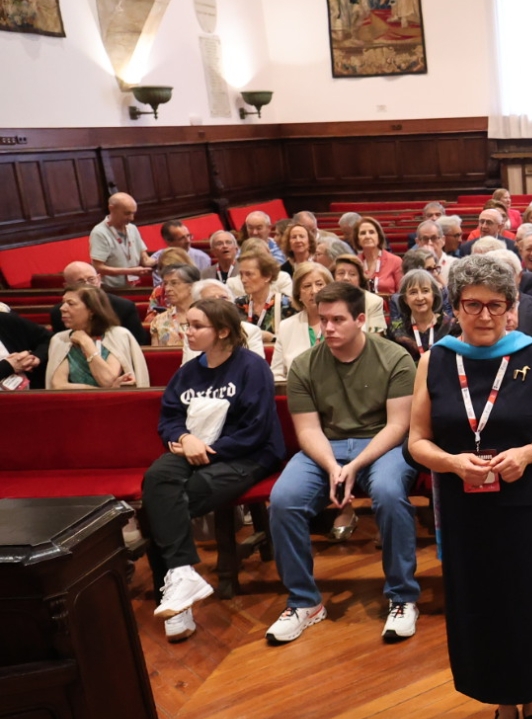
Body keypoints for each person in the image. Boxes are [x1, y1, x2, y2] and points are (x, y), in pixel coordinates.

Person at [406, 255, 532, 719]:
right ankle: (503, 707)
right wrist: (451, 463)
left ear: (510, 308)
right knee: (483, 607)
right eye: (473, 304)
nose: (484, 315)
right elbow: (417, 441)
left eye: (495, 305)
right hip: (467, 510)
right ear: (455, 307)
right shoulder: (435, 360)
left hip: (527, 505)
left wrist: (528, 454)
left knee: (530, 603)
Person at [268, 281, 420, 646]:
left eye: (338, 320)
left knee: (388, 492)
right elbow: (307, 430)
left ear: (361, 320)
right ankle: (304, 602)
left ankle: (402, 596)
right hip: (326, 446)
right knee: (283, 499)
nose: (328, 328)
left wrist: (354, 466)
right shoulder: (305, 364)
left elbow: (398, 426)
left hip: (381, 444)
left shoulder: (395, 358)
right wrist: (333, 466)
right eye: (323, 320)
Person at [144, 298, 284, 643]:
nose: (187, 332)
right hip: (193, 448)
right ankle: (180, 582)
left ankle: (176, 594)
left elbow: (256, 430)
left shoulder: (252, 367)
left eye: (196, 326)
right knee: (156, 480)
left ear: (222, 331)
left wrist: (205, 450)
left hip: (246, 455)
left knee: (164, 507)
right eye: (187, 325)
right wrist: (183, 438)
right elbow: (169, 418)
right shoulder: (188, 372)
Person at [46, 285, 149, 389]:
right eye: (63, 303)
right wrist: (101, 392)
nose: (62, 308)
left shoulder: (118, 335)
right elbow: (58, 386)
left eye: (71, 304)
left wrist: (86, 343)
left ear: (92, 310)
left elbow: (107, 380)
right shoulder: (60, 339)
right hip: (75, 399)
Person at [272, 263, 332, 383]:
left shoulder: (345, 321)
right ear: (298, 295)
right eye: (307, 286)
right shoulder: (286, 327)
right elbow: (276, 373)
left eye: (319, 284)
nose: (314, 291)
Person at [89, 192, 155, 288]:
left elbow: (145, 259)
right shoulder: (100, 232)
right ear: (112, 208)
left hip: (132, 287)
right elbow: (98, 268)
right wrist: (129, 271)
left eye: (133, 213)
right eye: (127, 213)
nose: (132, 218)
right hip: (111, 289)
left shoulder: (132, 228)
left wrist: (160, 261)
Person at [233, 243, 295, 345]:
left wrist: (272, 338)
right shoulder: (237, 305)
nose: (243, 280)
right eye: (241, 274)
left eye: (249, 274)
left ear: (267, 276)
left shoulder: (287, 305)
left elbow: (295, 340)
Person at [193, 280, 267, 362]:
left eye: (224, 298)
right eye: (211, 299)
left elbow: (256, 366)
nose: (220, 302)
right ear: (198, 306)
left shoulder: (250, 331)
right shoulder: (192, 331)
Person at [388, 268, 453, 360]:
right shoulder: (396, 330)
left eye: (425, 291)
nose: (420, 297)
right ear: (405, 299)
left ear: (434, 295)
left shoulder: (449, 326)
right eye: (413, 292)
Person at [330, 254, 390, 334]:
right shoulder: (324, 300)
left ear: (360, 279)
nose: (346, 278)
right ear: (333, 277)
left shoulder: (373, 301)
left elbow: (375, 337)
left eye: (352, 274)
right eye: (341, 273)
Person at [146, 263, 202, 347]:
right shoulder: (159, 320)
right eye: (165, 283)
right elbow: (156, 353)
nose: (167, 289)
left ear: (192, 286)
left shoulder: (208, 316)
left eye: (174, 283)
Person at [0, 309, 50, 390]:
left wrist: (35, 357)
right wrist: (7, 366)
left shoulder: (5, 321)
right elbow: (8, 366)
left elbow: (49, 339)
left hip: (31, 392)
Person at [353, 217, 402, 298]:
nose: (367, 236)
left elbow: (401, 294)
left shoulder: (395, 261)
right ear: (357, 239)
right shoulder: (354, 262)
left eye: (371, 232)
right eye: (363, 233)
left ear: (379, 237)